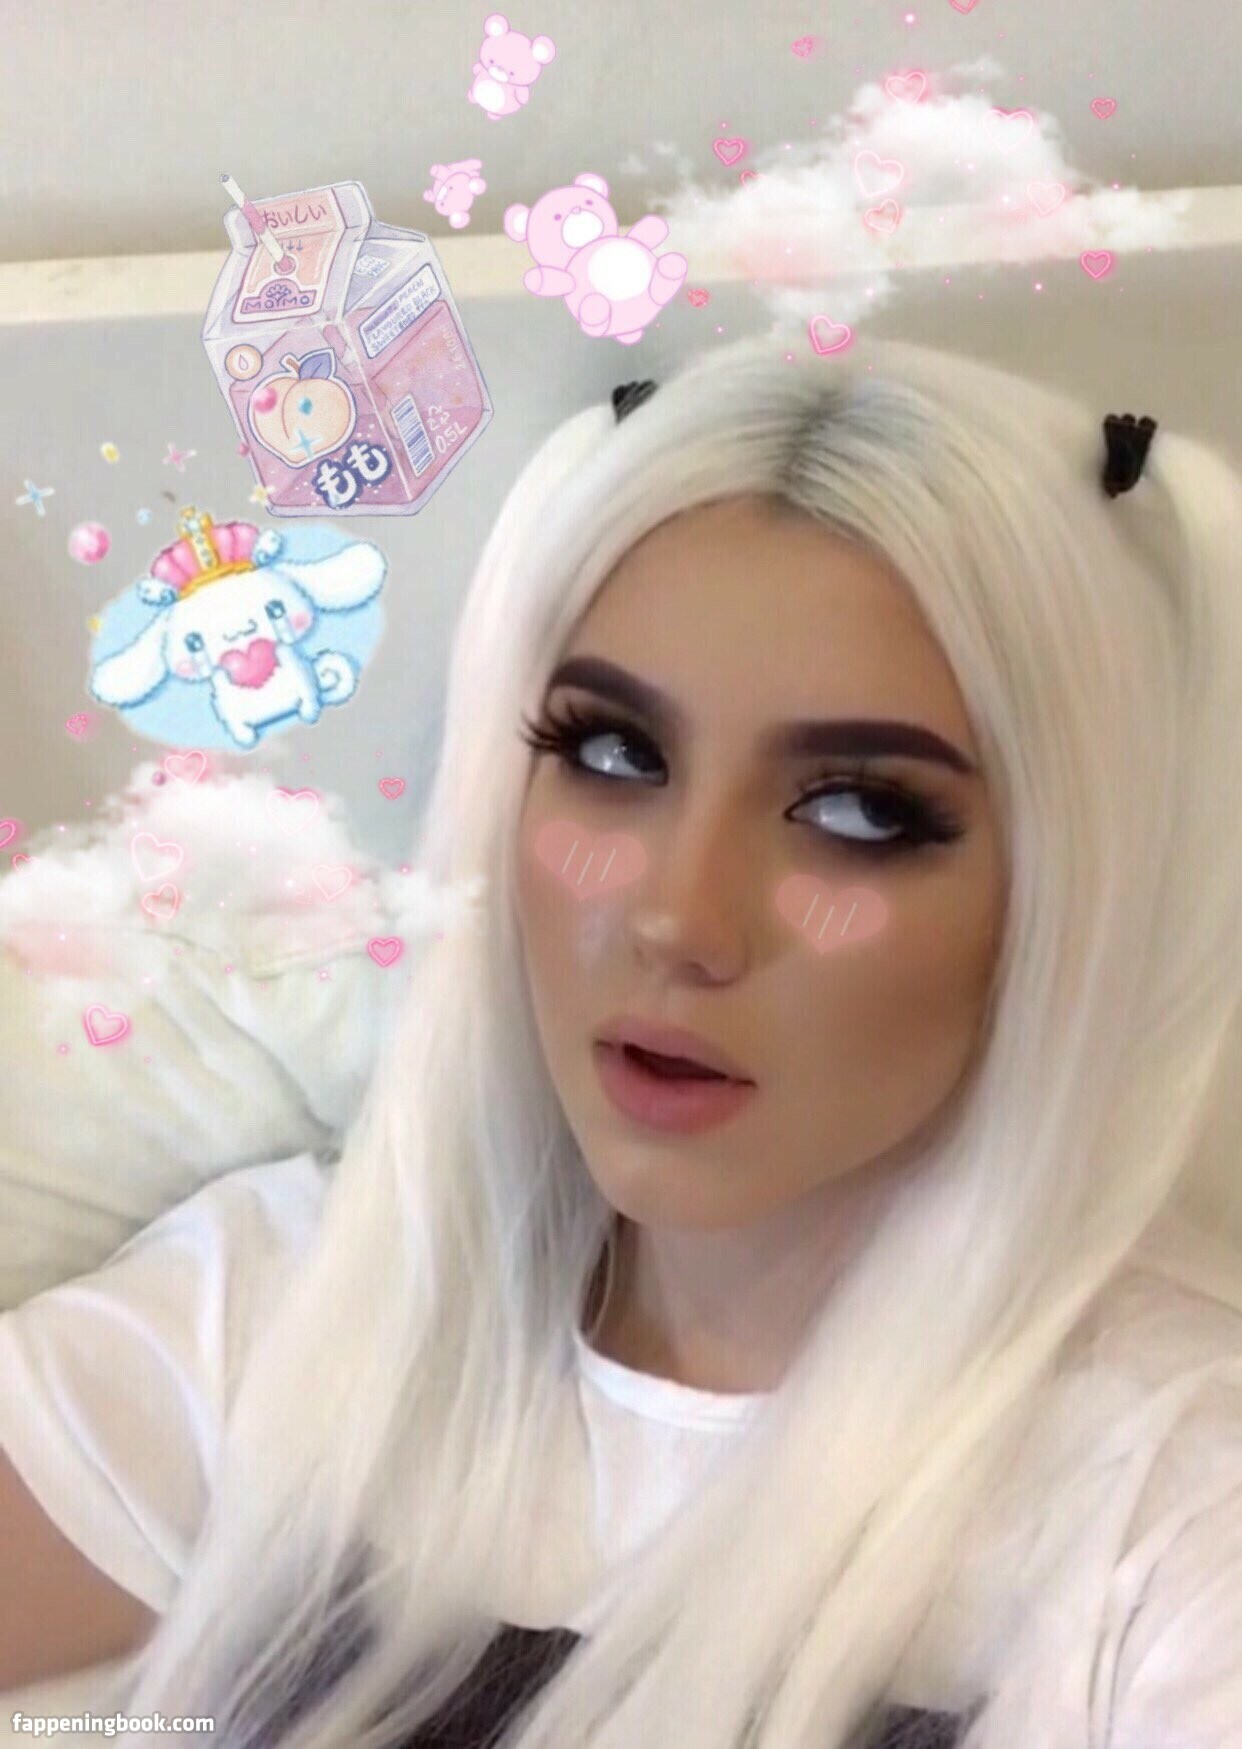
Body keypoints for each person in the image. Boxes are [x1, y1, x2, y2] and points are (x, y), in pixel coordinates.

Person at [4, 332, 1242, 1749]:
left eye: (859, 812)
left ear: (1062, 898)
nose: (676, 919)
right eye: (612, 753)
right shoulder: (305, 1307)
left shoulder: (1173, 1518)